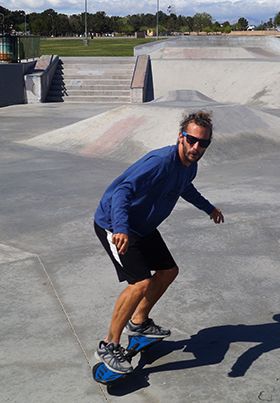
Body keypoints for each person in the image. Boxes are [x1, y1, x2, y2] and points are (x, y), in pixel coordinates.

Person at [93, 110, 225, 375]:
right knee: (139, 282)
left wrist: (208, 208)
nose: (196, 147)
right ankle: (109, 345)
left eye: (203, 143)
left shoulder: (190, 166)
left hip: (143, 227)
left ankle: (139, 322)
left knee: (168, 271)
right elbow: (122, 191)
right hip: (116, 224)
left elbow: (185, 188)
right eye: (192, 140)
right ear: (181, 137)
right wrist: (120, 228)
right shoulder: (160, 162)